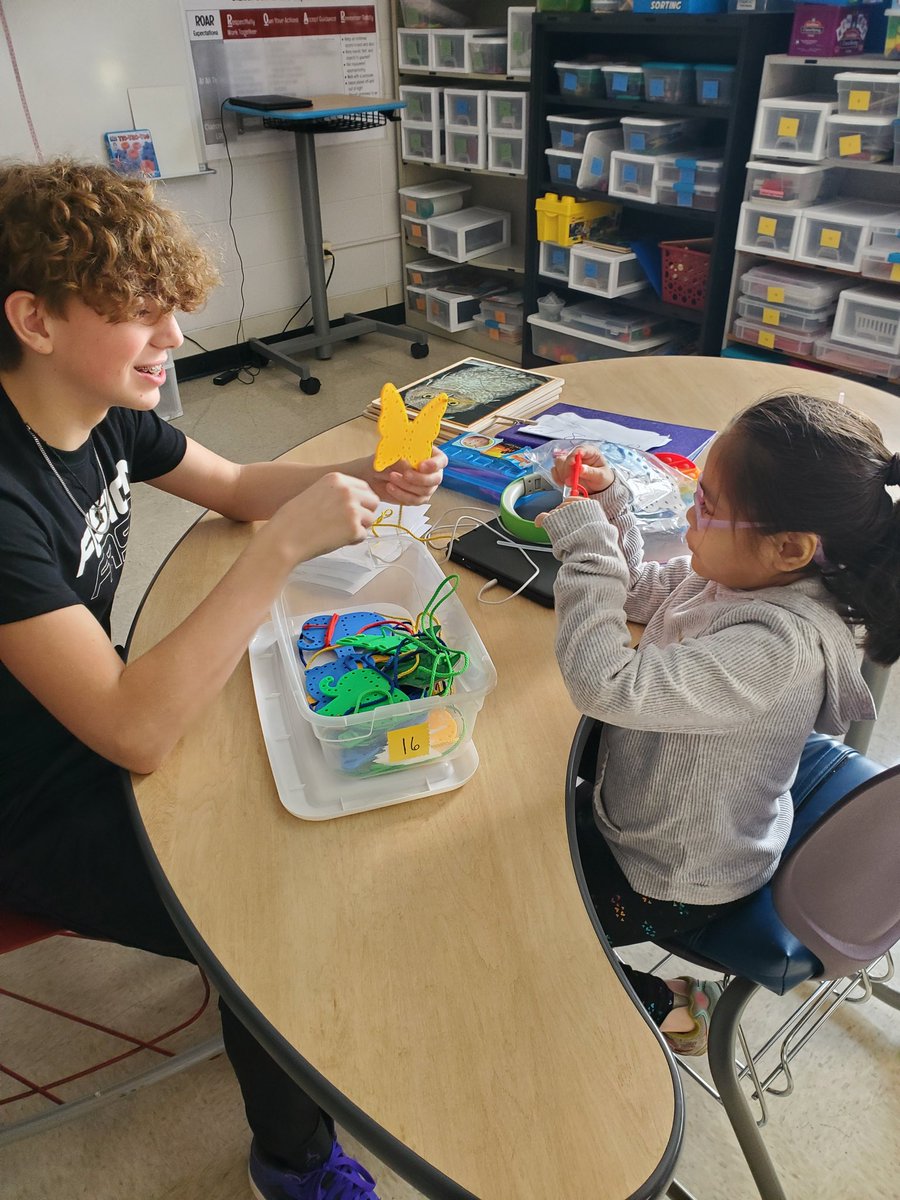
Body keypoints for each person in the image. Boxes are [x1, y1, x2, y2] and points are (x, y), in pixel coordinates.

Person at [0, 159, 446, 1199]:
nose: (176, 340)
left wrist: (362, 479)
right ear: (34, 319)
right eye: (140, 316)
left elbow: (239, 482)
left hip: (84, 718)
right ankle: (292, 1163)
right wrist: (275, 554)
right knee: (267, 904)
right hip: (23, 804)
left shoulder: (98, 406)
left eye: (174, 312)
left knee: (313, 758)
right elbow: (134, 732)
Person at [537, 393, 900, 1056]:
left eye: (707, 505)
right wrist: (611, 500)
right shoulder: (743, 576)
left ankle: (674, 1007)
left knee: (523, 912)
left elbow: (605, 686)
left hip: (675, 875)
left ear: (788, 547)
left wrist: (585, 544)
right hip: (656, 814)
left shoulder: (776, 645)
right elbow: (646, 587)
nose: (687, 513)